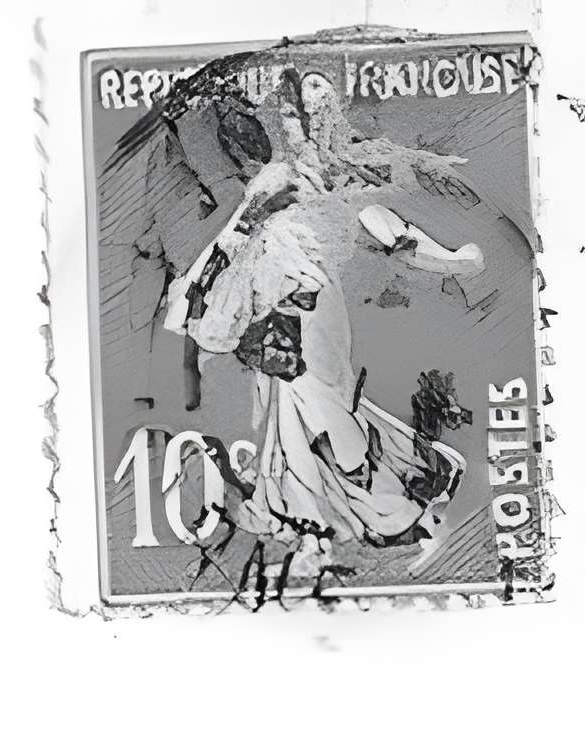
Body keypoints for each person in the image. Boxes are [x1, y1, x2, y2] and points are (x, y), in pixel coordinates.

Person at [159, 73, 484, 590]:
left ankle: (396, 515)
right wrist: (198, 300)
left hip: (309, 314)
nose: (249, 142)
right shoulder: (262, 191)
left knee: (324, 409)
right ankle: (317, 537)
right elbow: (222, 254)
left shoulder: (318, 180)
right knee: (289, 430)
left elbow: (387, 227)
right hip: (274, 324)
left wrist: (448, 262)